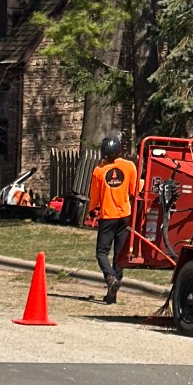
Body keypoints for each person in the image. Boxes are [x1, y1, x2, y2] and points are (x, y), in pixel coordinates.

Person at [87, 130, 139, 304]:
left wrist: (91, 209)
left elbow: (94, 196)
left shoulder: (99, 171)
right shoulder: (129, 166)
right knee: (119, 255)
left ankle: (110, 279)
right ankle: (113, 293)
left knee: (102, 252)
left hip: (108, 216)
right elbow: (135, 190)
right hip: (125, 215)